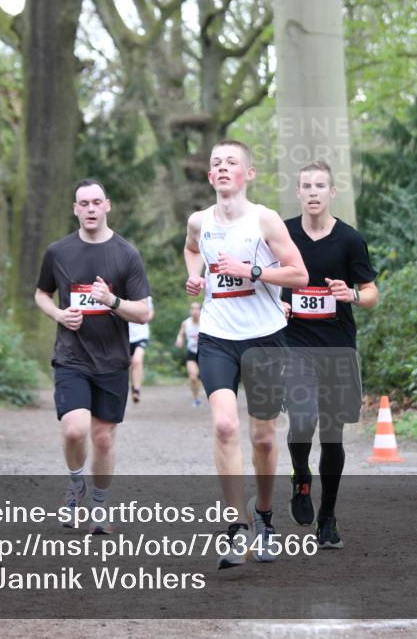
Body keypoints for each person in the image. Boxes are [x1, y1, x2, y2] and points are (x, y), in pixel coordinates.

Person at [183, 139, 308, 568]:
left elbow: (299, 274)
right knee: (222, 425)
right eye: (215, 162)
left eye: (231, 162)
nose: (221, 168)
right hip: (217, 335)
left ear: (248, 174)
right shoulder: (199, 221)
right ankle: (236, 527)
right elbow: (191, 249)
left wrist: (252, 270)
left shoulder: (265, 220)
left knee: (263, 437)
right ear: (209, 175)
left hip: (265, 337)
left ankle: (266, 517)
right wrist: (194, 278)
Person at [35, 179, 152, 534]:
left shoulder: (126, 254)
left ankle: (100, 505)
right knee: (74, 430)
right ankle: (75, 485)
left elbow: (144, 313)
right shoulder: (58, 252)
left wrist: (111, 301)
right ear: (75, 209)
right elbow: (41, 293)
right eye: (83, 203)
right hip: (72, 356)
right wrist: (58, 314)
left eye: (95, 202)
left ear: (107, 206)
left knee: (102, 438)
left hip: (112, 359)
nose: (89, 209)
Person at [281, 160, 379, 549]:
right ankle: (301, 478)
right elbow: (269, 280)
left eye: (320, 185)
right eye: (307, 185)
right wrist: (278, 304)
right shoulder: (284, 235)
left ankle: (328, 517)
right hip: (295, 344)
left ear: (332, 192)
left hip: (337, 346)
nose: (314, 192)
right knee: (302, 421)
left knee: (333, 434)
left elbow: (371, 294)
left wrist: (352, 294)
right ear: (299, 192)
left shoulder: (350, 240)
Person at [174, 302, 203, 407]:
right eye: (192, 309)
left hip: (205, 354)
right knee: (193, 377)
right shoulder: (186, 323)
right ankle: (196, 398)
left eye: (197, 309)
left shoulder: (206, 322)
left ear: (201, 310)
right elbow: (180, 334)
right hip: (192, 353)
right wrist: (179, 340)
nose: (194, 311)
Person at [128, 297, 154, 403]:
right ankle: (133, 386)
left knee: (137, 361)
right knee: (129, 365)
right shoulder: (122, 291)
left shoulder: (145, 296)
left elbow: (151, 312)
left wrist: (145, 318)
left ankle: (137, 391)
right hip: (126, 335)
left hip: (141, 335)